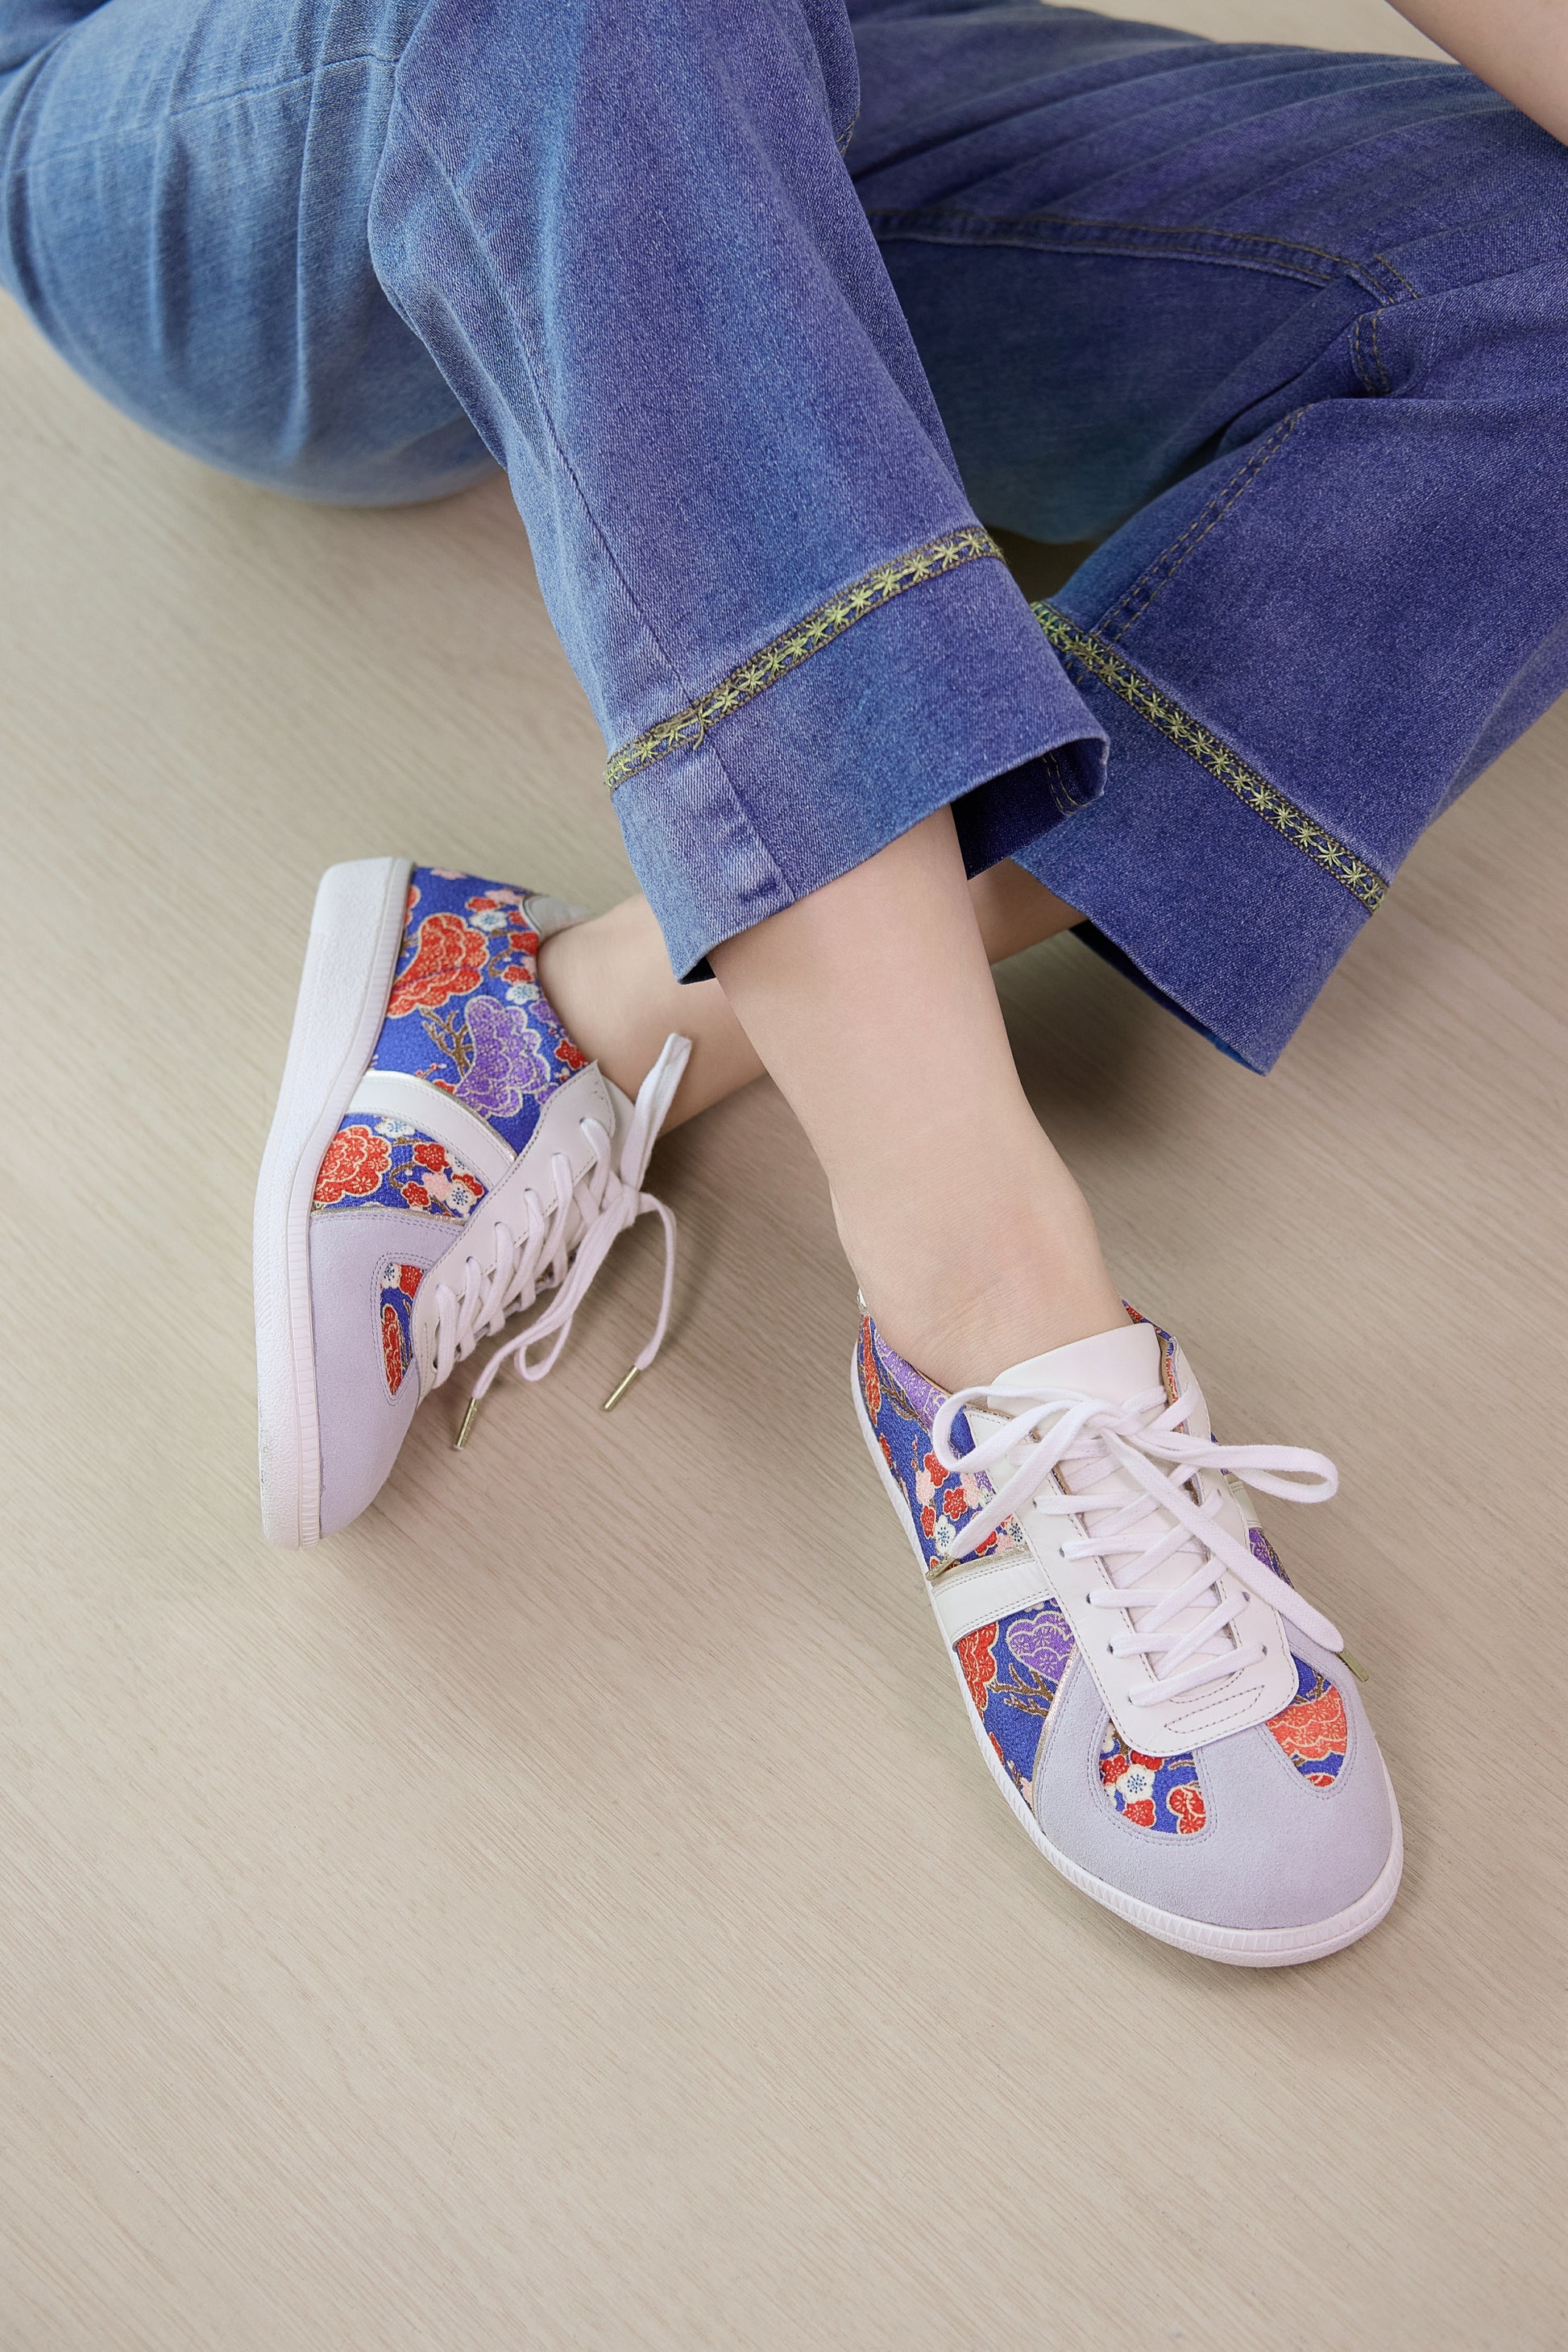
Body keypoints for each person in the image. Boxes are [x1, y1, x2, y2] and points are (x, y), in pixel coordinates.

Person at [7, 0, 1564, 1964]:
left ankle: (586, 1011)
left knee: (1531, 288)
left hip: (777, 82)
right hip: (231, 116)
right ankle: (983, 1299)